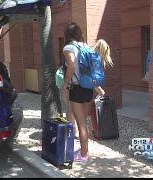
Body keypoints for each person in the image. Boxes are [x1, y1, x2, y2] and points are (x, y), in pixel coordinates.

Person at [62, 23, 93, 162]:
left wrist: (65, 84)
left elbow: (72, 65)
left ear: (67, 34)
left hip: (77, 88)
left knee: (80, 123)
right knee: (84, 122)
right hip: (88, 87)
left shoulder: (68, 47)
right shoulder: (86, 46)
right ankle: (84, 150)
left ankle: (84, 155)